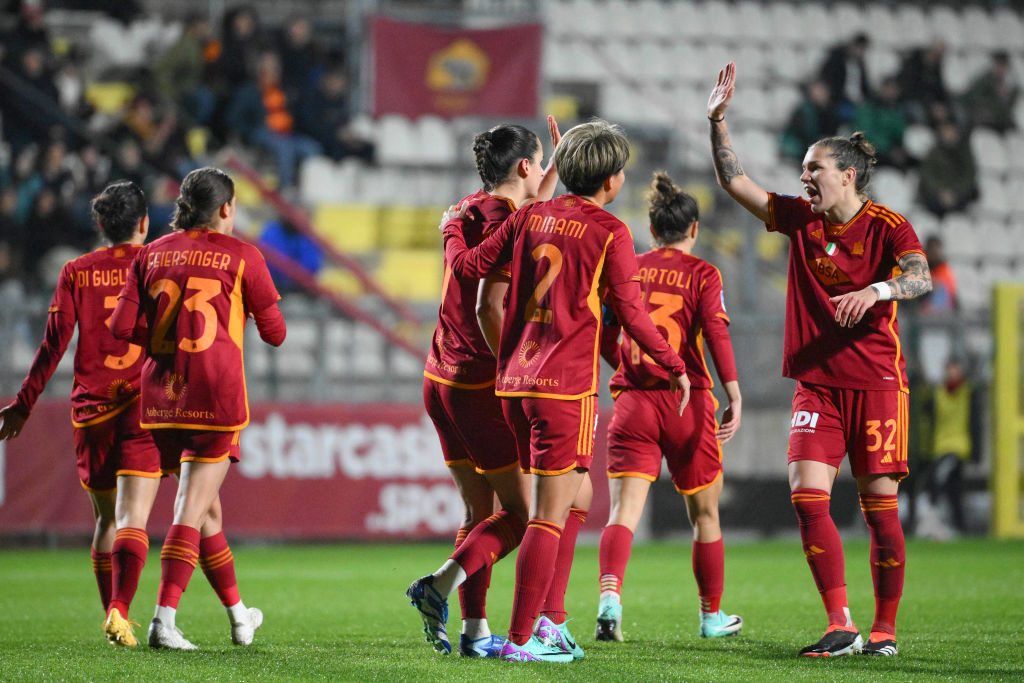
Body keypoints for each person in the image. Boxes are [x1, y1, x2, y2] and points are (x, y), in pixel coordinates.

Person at [433, 120, 690, 663]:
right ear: (615, 180)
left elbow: (471, 268)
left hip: (515, 386)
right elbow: (634, 315)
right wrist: (672, 362)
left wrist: (454, 227)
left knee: (572, 499)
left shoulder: (530, 216)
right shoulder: (611, 232)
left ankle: (536, 619)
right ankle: (526, 639)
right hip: (565, 390)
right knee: (543, 517)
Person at [707, 63, 932, 657]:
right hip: (817, 386)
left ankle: (884, 629)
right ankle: (841, 622)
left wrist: (877, 291)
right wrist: (718, 122)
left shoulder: (889, 227)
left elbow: (920, 277)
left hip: (879, 384)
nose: (803, 177)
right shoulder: (800, 220)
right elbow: (737, 185)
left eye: (815, 168)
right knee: (807, 495)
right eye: (803, 168)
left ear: (848, 175)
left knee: (881, 510)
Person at [0, 181, 260, 648]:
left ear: (100, 224)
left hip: (93, 411)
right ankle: (137, 614)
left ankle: (148, 614)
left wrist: (24, 404)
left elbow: (52, 345)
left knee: (114, 520)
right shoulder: (162, 258)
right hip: (149, 402)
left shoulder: (77, 271)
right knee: (190, 510)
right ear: (144, 222)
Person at [110, 167, 286, 649]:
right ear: (227, 208)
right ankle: (163, 621)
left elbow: (120, 327)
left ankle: (238, 618)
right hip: (215, 398)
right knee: (190, 510)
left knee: (208, 514)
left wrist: (168, 345)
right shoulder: (244, 256)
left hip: (161, 402)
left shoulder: (150, 254)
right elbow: (276, 334)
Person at [407, 118, 560, 658]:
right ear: (524, 166)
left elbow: (521, 204)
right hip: (478, 384)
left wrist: (557, 158)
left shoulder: (468, 209)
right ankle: (440, 584)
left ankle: (473, 632)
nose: (544, 174)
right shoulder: (513, 227)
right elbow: (489, 302)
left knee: (479, 514)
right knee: (522, 514)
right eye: (540, 163)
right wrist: (515, 371)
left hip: (438, 379)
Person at [594, 172, 743, 643]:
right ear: (694, 230)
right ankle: (710, 616)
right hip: (688, 401)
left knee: (623, 512)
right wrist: (734, 393)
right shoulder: (703, 274)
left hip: (634, 401)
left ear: (653, 230)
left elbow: (607, 336)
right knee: (704, 516)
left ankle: (609, 599)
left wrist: (629, 368)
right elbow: (717, 335)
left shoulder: (629, 266)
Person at [916, 121, 979, 218]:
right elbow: (928, 175)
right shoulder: (933, 154)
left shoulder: (965, 153)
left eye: (952, 132)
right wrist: (942, 190)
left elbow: (969, 174)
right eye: (947, 132)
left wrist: (955, 191)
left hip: (958, 196)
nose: (950, 135)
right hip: (937, 196)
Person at [959, 51, 1018, 134]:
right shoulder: (984, 80)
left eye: (1003, 66)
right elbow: (974, 98)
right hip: (983, 119)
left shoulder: (1008, 85)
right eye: (999, 65)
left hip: (999, 120)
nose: (1001, 69)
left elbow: (1008, 107)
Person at [818, 33, 871, 123]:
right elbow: (831, 81)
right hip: (840, 101)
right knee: (858, 117)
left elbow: (865, 86)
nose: (860, 51)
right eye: (858, 47)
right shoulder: (836, 60)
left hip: (858, 102)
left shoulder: (860, 64)